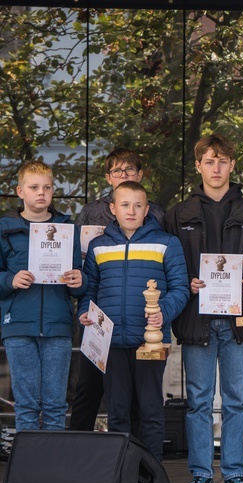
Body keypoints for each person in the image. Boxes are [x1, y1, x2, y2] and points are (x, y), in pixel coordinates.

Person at [164, 134, 243, 483]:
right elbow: (165, 268)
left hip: (239, 322)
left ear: (232, 165)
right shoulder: (177, 215)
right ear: (198, 166)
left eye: (223, 161)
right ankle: (200, 473)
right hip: (196, 320)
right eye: (209, 161)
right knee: (198, 401)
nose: (216, 167)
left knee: (236, 400)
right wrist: (185, 284)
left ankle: (233, 474)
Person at [78, 181, 189, 460]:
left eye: (138, 205)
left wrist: (163, 310)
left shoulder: (167, 243)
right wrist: (83, 310)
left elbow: (181, 289)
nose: (131, 210)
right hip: (110, 342)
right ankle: (121, 474)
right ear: (113, 208)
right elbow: (90, 290)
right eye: (125, 205)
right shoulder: (98, 246)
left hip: (150, 342)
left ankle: (151, 475)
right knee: (117, 412)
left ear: (147, 210)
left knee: (151, 410)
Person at [71, 148, 165, 434]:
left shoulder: (157, 214)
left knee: (136, 399)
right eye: (117, 171)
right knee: (88, 387)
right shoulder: (90, 211)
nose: (123, 175)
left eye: (130, 171)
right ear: (108, 177)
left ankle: (135, 458)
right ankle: (77, 448)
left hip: (139, 320)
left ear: (140, 175)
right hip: (100, 315)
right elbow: (80, 261)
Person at [0, 160, 86, 430]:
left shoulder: (66, 229)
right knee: (25, 404)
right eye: (34, 187)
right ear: (20, 191)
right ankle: (28, 468)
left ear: (52, 191)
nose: (41, 193)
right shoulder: (4, 228)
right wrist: (10, 279)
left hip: (57, 324)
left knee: (55, 404)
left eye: (47, 187)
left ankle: (54, 467)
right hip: (18, 325)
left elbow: (79, 283)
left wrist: (77, 281)